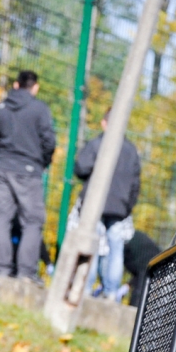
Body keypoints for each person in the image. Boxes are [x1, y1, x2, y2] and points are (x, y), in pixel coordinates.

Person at [0, 71, 56, 282]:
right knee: (33, 220)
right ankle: (26, 273)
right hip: (29, 171)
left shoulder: (1, 108)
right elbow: (49, 142)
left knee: (2, 218)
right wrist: (42, 161)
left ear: (16, 85)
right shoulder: (40, 109)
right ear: (35, 87)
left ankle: (1, 270)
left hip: (2, 169)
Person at [73, 108, 141, 301]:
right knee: (116, 249)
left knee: (90, 242)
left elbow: (81, 168)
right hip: (120, 207)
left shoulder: (97, 143)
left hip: (95, 202)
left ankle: (85, 289)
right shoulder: (131, 150)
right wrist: (127, 206)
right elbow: (136, 183)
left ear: (104, 123)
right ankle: (111, 293)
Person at [121, 230, 161, 307]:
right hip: (142, 258)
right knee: (140, 291)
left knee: (140, 292)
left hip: (146, 260)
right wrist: (128, 285)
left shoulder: (151, 263)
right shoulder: (148, 263)